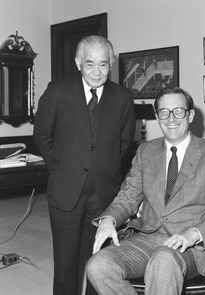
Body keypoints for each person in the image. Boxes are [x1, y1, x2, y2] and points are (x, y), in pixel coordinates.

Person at [86, 86, 205, 295]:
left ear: (190, 115)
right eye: (164, 113)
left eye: (178, 111)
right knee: (97, 265)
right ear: (157, 117)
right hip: (147, 238)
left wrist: (193, 235)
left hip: (189, 247)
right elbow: (128, 197)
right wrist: (109, 219)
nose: (171, 119)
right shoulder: (145, 151)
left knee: (163, 259)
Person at [33, 35, 136, 295]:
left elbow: (124, 144)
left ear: (111, 63)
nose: (97, 71)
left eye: (103, 64)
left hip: (105, 194)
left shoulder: (123, 97)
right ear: (78, 62)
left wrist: (108, 168)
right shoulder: (57, 91)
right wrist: (58, 166)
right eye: (90, 64)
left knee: (99, 263)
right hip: (65, 190)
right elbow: (42, 136)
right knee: (66, 266)